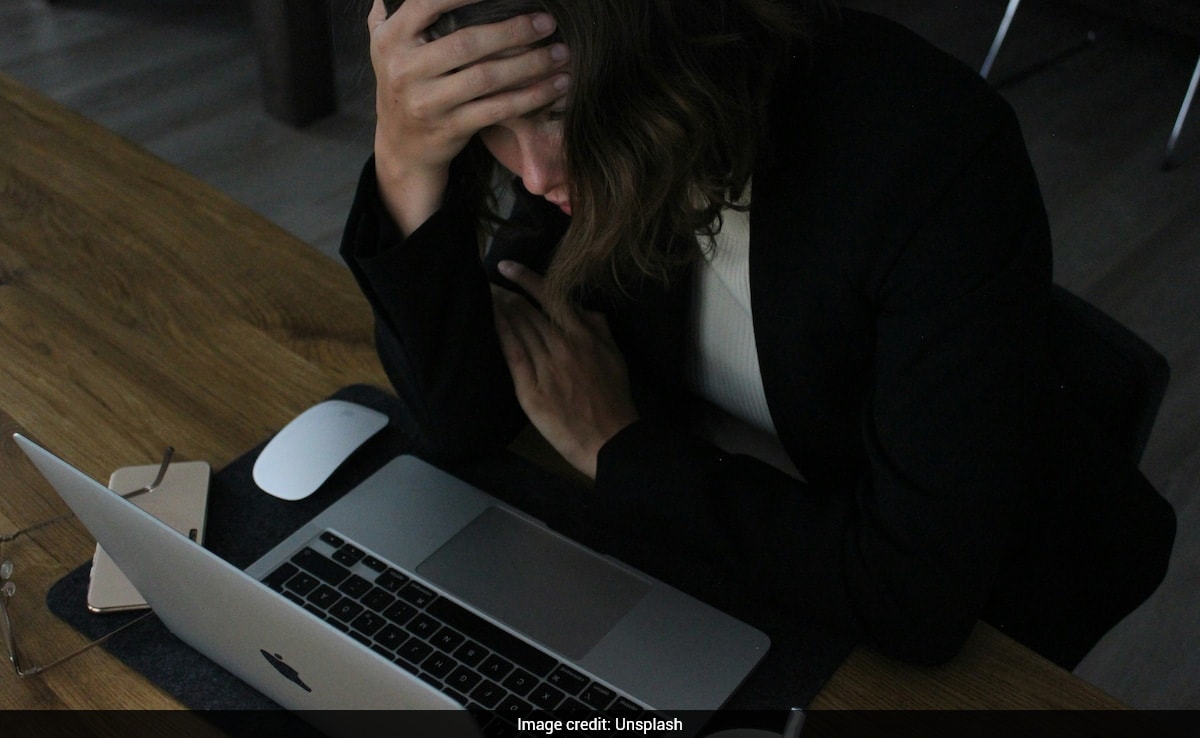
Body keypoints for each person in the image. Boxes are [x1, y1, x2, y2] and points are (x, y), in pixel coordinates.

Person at [342, 0, 1175, 670]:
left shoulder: (930, 153)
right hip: (739, 552)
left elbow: (915, 599)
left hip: (974, 614)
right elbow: (466, 417)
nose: (534, 175)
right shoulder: (582, 130)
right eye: (488, 128)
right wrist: (406, 157)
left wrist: (617, 447)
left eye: (558, 116)